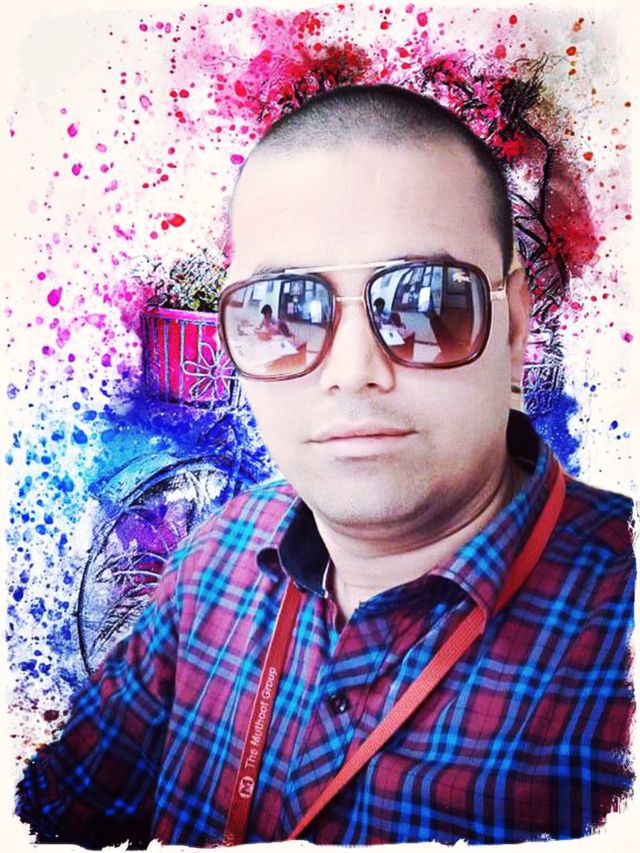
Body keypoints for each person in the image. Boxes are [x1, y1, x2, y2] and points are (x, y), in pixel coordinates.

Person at [16, 84, 634, 847]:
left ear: (511, 326)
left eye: (427, 302)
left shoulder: (619, 635)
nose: (352, 371)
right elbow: (55, 817)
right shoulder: (215, 558)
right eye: (282, 310)